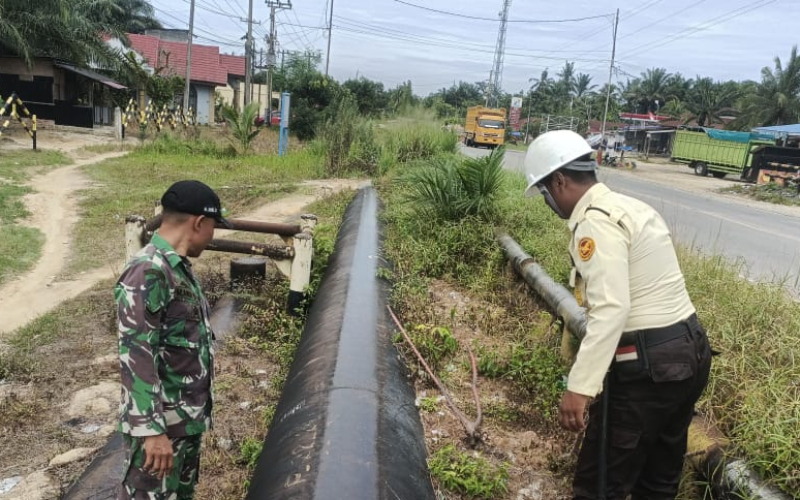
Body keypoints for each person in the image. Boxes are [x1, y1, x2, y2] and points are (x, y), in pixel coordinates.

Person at [522, 130, 712, 500]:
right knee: (657, 481)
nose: (547, 202)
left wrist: (579, 388)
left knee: (599, 483)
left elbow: (611, 308)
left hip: (649, 368)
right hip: (690, 352)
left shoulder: (595, 222)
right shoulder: (630, 207)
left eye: (544, 193)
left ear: (559, 181)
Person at [115, 180, 231, 500]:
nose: (213, 236)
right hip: (160, 432)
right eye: (214, 227)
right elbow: (136, 353)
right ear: (199, 223)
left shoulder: (177, 269)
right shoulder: (148, 270)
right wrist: (151, 431)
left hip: (183, 424)